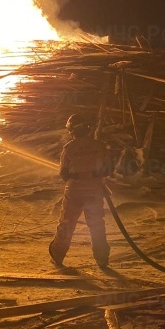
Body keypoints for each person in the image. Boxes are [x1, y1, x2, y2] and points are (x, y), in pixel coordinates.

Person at [48, 114, 113, 269]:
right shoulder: (100, 146)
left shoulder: (69, 148)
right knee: (97, 224)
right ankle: (102, 258)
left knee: (66, 224)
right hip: (94, 190)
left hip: (74, 191)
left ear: (72, 131)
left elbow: (63, 173)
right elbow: (109, 169)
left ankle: (57, 255)